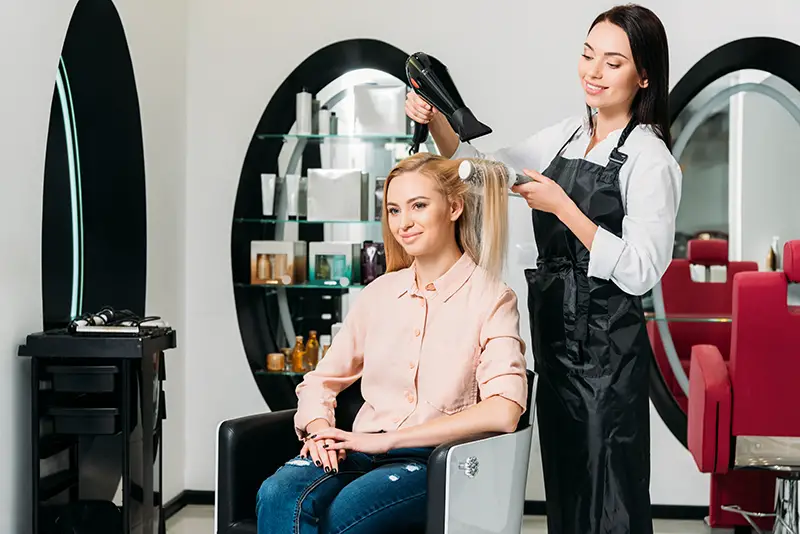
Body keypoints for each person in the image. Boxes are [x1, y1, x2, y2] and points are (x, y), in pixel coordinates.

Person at [406, 4, 681, 533]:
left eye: (613, 62)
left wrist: (565, 208)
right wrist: (437, 116)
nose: (593, 72)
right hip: (555, 352)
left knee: (609, 499)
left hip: (607, 361)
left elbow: (643, 271)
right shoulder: (565, 138)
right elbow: (482, 170)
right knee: (567, 494)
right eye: (587, 55)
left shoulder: (652, 161)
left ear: (643, 75)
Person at [255, 152, 529, 533]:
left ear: (453, 207)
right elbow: (321, 380)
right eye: (394, 210)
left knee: (346, 513)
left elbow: (504, 410)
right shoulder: (378, 294)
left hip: (429, 461)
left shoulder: (492, 297)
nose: (404, 223)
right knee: (278, 493)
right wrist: (320, 431)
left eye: (418, 206)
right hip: (357, 446)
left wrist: (389, 442)